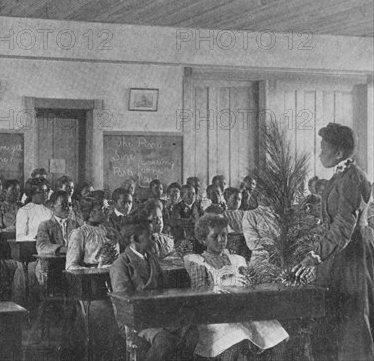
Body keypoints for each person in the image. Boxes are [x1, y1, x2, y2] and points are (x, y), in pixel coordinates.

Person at [292, 123, 374, 361]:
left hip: (351, 256)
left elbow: (342, 228)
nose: (319, 154)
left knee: (353, 323)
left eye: (322, 148)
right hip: (339, 254)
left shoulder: (353, 178)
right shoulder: (340, 175)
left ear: (338, 153)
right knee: (333, 318)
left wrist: (315, 256)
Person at [185, 215, 288, 360]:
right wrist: (223, 283)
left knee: (276, 336)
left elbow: (249, 284)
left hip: (243, 313)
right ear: (203, 240)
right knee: (236, 341)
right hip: (215, 317)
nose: (221, 240)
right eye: (215, 236)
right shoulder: (198, 261)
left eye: (224, 235)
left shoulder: (237, 260)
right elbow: (199, 292)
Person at [110, 220, 193, 361]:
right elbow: (124, 303)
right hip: (135, 321)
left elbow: (164, 290)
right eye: (149, 234)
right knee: (164, 340)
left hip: (158, 315)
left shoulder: (152, 259)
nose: (154, 237)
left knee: (191, 332)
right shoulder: (121, 264)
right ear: (135, 238)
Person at [36, 190, 80, 285]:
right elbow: (42, 247)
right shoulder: (45, 225)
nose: (68, 208)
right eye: (63, 205)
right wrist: (63, 249)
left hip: (72, 263)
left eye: (70, 205)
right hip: (52, 265)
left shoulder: (75, 225)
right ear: (52, 206)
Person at [0, 179, 21, 299]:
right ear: (4, 192)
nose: (17, 193)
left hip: (22, 246)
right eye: (13, 190)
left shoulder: (22, 208)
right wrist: (15, 228)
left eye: (18, 190)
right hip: (6, 250)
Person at [66, 200, 118, 269]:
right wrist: (97, 270)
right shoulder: (80, 233)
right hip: (92, 276)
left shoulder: (111, 231)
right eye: (104, 209)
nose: (108, 211)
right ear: (91, 213)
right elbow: (71, 266)